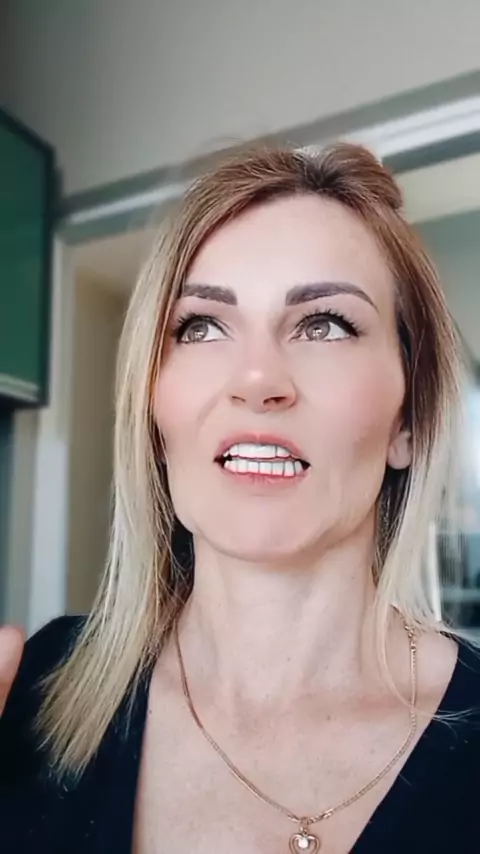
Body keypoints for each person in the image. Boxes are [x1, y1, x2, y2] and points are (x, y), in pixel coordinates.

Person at [0, 142, 479, 854]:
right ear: (154, 413)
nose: (257, 380)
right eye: (201, 326)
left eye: (325, 324)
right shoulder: (33, 691)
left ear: (408, 420)